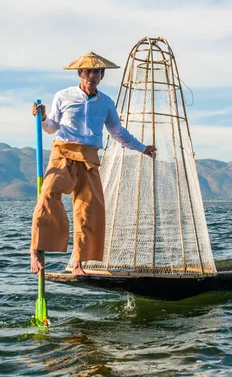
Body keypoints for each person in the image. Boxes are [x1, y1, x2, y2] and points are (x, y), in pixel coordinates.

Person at [30, 51, 156, 275]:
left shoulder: (105, 103)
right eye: (88, 71)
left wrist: (142, 148)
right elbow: (51, 127)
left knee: (90, 209)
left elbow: (117, 131)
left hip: (89, 157)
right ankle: (37, 249)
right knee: (48, 193)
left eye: (96, 72)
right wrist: (42, 117)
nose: (92, 76)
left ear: (102, 76)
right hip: (63, 152)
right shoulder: (64, 95)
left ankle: (78, 263)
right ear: (80, 73)